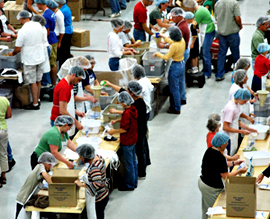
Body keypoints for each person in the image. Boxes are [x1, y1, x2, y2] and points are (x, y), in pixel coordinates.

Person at [198, 132, 248, 219]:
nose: (227, 144)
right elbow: (226, 176)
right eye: (226, 142)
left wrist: (234, 163)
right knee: (214, 210)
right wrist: (239, 170)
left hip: (203, 182)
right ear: (221, 145)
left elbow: (219, 166)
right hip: (210, 188)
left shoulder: (210, 150)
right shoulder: (219, 157)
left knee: (206, 207)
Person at [8, 10, 45, 110]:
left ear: (21, 19)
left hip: (30, 59)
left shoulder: (23, 30)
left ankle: (35, 104)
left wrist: (12, 53)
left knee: (32, 82)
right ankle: (38, 99)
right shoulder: (38, 25)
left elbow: (18, 48)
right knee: (38, 80)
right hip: (40, 56)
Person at [108, 91, 138, 191]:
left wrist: (113, 131)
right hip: (133, 138)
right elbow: (127, 117)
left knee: (129, 163)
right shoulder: (132, 109)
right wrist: (117, 121)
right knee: (133, 161)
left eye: (120, 101)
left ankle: (129, 185)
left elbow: (124, 129)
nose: (119, 103)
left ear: (124, 102)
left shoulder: (127, 114)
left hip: (127, 141)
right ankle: (134, 181)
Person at [152, 26, 186, 114]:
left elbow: (167, 57)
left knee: (174, 89)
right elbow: (172, 42)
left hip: (175, 67)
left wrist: (157, 54)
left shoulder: (174, 46)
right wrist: (163, 37)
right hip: (181, 64)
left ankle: (176, 108)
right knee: (178, 85)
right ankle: (179, 103)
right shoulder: (182, 40)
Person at [15, 152, 55, 219]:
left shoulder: (40, 168)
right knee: (22, 216)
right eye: (49, 164)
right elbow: (45, 175)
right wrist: (54, 185)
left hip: (27, 197)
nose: (50, 166)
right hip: (23, 198)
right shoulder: (40, 166)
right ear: (43, 162)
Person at [75, 144, 109, 219]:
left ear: (85, 157)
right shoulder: (98, 157)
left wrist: (82, 184)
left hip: (99, 198)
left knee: (98, 216)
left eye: (81, 156)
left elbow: (96, 185)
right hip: (104, 194)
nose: (80, 158)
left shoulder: (95, 168)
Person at [184, 0, 216, 80]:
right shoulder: (200, 9)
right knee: (204, 52)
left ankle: (207, 72)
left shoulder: (199, 12)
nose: (188, 10)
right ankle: (206, 69)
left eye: (187, 8)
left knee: (205, 52)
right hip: (207, 30)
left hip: (207, 31)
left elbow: (194, 24)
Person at [222, 89, 257, 156]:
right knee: (230, 155)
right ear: (240, 98)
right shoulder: (230, 109)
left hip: (234, 135)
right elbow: (225, 127)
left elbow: (236, 119)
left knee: (234, 152)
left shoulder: (236, 104)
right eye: (244, 101)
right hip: (229, 137)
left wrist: (248, 128)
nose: (245, 103)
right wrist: (241, 131)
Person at [50, 66, 86, 131]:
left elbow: (67, 104)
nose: (78, 82)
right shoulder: (64, 87)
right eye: (78, 79)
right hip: (59, 121)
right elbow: (63, 111)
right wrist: (76, 122)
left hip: (65, 119)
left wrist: (76, 112)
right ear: (73, 75)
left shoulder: (70, 84)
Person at [214, 0, 242, 80]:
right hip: (232, 32)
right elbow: (237, 18)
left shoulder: (218, 3)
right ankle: (237, 76)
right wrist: (240, 25)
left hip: (222, 33)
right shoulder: (234, 3)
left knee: (221, 53)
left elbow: (216, 17)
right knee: (235, 53)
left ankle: (219, 74)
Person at [35, 0, 59, 86]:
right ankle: (53, 83)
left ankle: (52, 85)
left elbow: (46, 32)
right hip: (54, 38)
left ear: (39, 4)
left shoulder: (45, 15)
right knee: (54, 62)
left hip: (50, 41)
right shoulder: (50, 12)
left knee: (51, 63)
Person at [32, 15, 52, 90]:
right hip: (46, 48)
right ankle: (47, 83)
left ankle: (45, 84)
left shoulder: (39, 29)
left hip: (43, 49)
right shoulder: (42, 27)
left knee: (43, 68)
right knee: (45, 67)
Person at [54, 0, 73, 69]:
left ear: (58, 3)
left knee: (63, 52)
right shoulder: (65, 8)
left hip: (66, 32)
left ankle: (63, 68)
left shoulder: (62, 11)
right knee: (66, 50)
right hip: (68, 30)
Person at [0, 96, 12, 188]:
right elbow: (9, 115)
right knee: (3, 153)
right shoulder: (4, 100)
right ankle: (3, 176)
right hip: (2, 129)